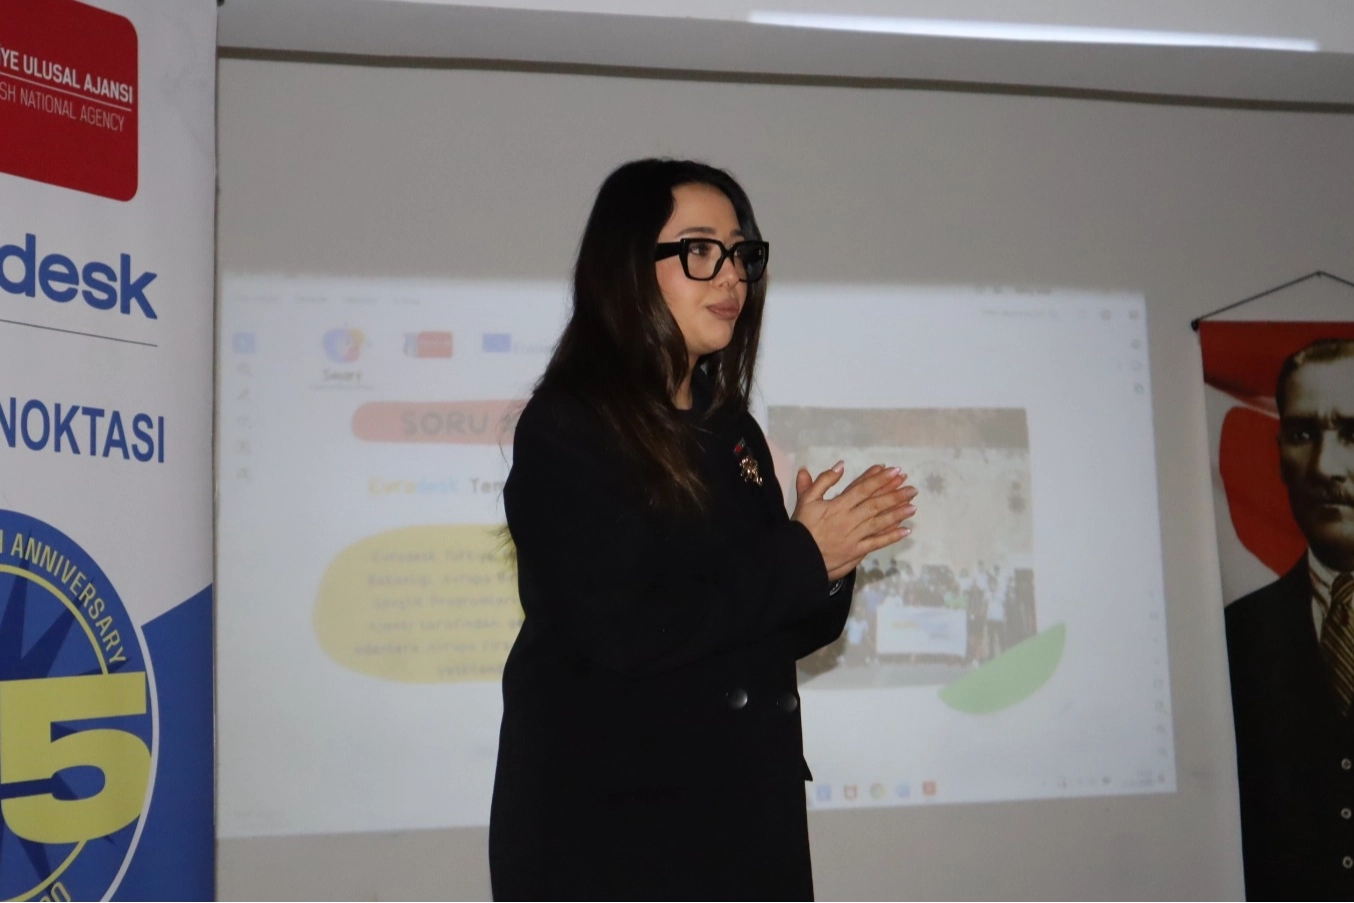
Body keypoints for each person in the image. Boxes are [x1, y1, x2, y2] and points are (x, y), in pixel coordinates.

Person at [488, 159, 917, 903]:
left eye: (741, 253)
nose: (731, 276)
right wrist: (801, 554)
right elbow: (629, 627)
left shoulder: (729, 426)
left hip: (743, 824)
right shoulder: (570, 427)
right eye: (700, 250)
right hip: (616, 837)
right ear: (629, 266)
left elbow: (767, 627)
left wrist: (831, 559)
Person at [1225, 337, 1354, 902]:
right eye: (1303, 434)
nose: (1326, 467)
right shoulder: (1234, 635)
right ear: (1278, 453)